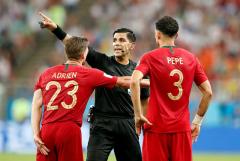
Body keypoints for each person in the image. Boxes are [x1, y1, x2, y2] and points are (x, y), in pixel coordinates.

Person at [38, 12, 149, 161]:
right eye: (115, 40)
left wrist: (139, 120)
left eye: (122, 40)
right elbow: (75, 46)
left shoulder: (140, 71)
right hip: (102, 125)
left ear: (132, 45)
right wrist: (56, 29)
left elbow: (144, 100)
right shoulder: (102, 61)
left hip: (127, 124)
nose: (116, 43)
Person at [130, 16, 213, 161]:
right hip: (181, 128)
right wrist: (197, 122)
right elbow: (208, 92)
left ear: (158, 34)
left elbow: (134, 80)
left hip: (155, 127)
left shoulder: (150, 57)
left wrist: (138, 115)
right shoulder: (191, 58)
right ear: (177, 35)